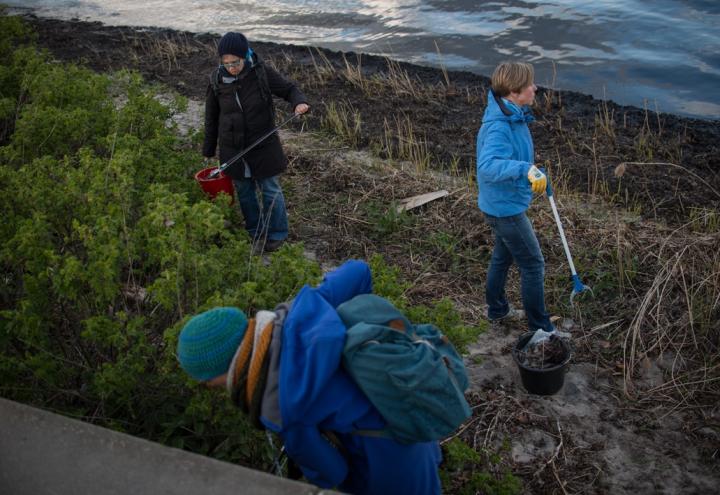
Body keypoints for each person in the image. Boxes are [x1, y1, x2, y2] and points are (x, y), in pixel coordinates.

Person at [176, 260, 442, 495]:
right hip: (411, 408)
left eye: (206, 382)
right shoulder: (297, 314)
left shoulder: (276, 405)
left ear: (221, 374)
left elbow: (332, 473)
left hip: (386, 461)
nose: (210, 387)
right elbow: (359, 271)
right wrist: (359, 336)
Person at [202, 32, 309, 252]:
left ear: (245, 56)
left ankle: (277, 234)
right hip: (233, 148)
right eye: (227, 62)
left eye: (236, 62)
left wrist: (299, 103)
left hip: (264, 144)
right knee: (244, 192)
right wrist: (209, 148)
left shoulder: (261, 72)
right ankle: (255, 232)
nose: (232, 67)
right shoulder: (216, 80)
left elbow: (289, 90)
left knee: (270, 189)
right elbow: (211, 118)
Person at [475, 61, 557, 334]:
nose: (535, 88)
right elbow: (487, 166)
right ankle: (540, 329)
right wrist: (524, 169)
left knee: (502, 258)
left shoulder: (512, 113)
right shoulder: (500, 125)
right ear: (513, 90)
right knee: (533, 264)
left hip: (502, 204)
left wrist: (534, 171)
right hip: (505, 209)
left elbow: (513, 159)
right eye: (530, 85)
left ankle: (497, 310)